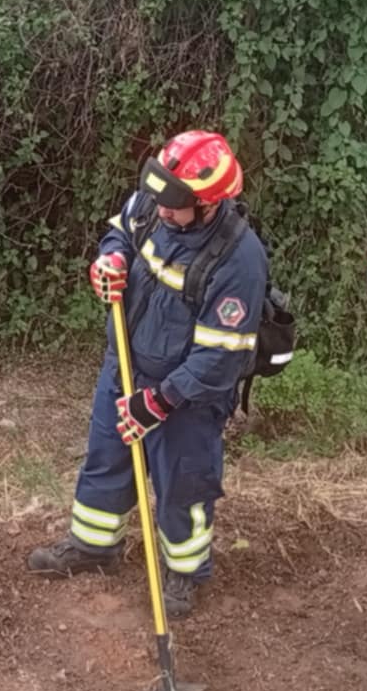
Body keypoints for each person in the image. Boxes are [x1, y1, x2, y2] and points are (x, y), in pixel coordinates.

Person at [26, 130, 267, 619]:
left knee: (184, 484)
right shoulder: (155, 201)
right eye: (158, 195)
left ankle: (183, 572)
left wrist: (159, 401)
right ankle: (94, 546)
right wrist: (109, 259)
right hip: (125, 366)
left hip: (186, 397)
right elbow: (120, 231)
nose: (161, 210)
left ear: (207, 204)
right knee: (106, 458)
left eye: (175, 204)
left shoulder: (240, 260)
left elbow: (220, 357)